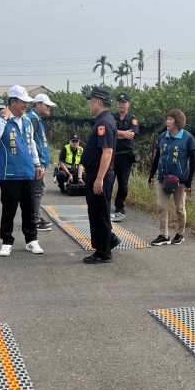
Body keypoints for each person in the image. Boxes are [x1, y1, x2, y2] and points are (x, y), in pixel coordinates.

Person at [0, 85, 45, 256]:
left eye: (27, 102)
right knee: (9, 209)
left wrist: (37, 164)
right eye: (22, 102)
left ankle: (31, 240)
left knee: (29, 209)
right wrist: (4, 119)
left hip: (28, 172)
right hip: (9, 173)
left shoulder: (27, 121)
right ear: (13, 102)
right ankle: (6, 241)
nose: (25, 105)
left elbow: (31, 144)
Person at [148, 109, 195, 246]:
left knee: (180, 209)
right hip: (163, 179)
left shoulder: (188, 138)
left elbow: (194, 163)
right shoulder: (163, 136)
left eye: (170, 119)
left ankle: (180, 233)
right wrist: (151, 175)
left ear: (178, 121)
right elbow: (157, 157)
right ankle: (164, 235)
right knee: (161, 206)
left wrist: (188, 182)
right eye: (167, 119)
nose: (167, 122)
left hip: (180, 181)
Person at [82, 86, 120, 263]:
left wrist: (99, 178)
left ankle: (103, 252)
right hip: (96, 173)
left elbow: (107, 152)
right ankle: (108, 239)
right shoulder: (104, 120)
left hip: (100, 174)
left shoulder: (104, 122)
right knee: (97, 211)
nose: (90, 105)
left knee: (99, 212)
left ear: (98, 102)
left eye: (91, 102)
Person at [110, 93, 139, 222]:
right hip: (112, 155)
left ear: (129, 105)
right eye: (119, 102)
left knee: (123, 184)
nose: (121, 104)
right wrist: (123, 133)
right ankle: (105, 205)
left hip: (126, 157)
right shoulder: (112, 117)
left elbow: (131, 135)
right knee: (109, 181)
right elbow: (109, 132)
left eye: (124, 102)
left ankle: (119, 207)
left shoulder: (133, 119)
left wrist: (117, 134)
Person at [29, 93, 56, 231]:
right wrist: (37, 163)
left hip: (39, 163)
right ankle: (34, 220)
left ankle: (34, 217)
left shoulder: (36, 119)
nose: (49, 108)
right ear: (38, 104)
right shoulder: (32, 119)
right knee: (37, 191)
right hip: (37, 164)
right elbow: (30, 142)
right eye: (47, 106)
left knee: (37, 191)